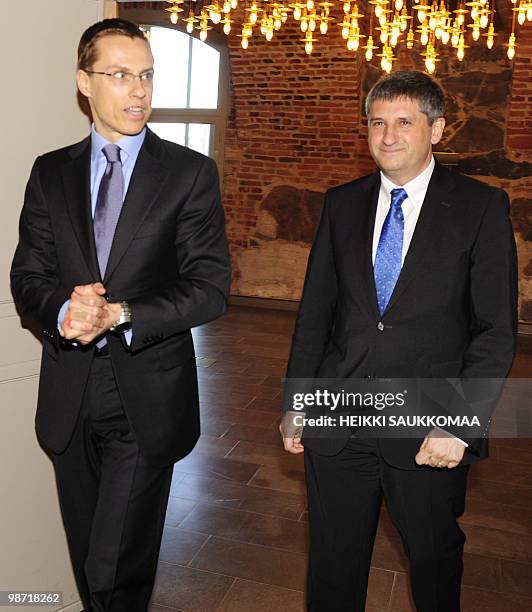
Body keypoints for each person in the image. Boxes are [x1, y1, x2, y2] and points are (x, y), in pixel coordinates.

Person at [10, 18, 231, 612]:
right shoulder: (49, 172)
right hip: (69, 390)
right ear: (84, 82)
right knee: (90, 559)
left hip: (147, 392)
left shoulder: (188, 173)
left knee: (115, 565)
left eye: (147, 76)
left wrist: (120, 312)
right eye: (120, 75)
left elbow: (210, 289)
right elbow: (26, 276)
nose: (139, 91)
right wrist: (64, 310)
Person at [281, 71, 517, 611]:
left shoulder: (481, 207)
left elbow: (495, 330)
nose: (388, 136)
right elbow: (315, 315)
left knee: (434, 560)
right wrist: (296, 402)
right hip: (337, 418)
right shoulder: (341, 203)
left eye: (404, 123)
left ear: (435, 130)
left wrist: (457, 423)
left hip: (428, 424)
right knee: (332, 565)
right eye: (377, 123)